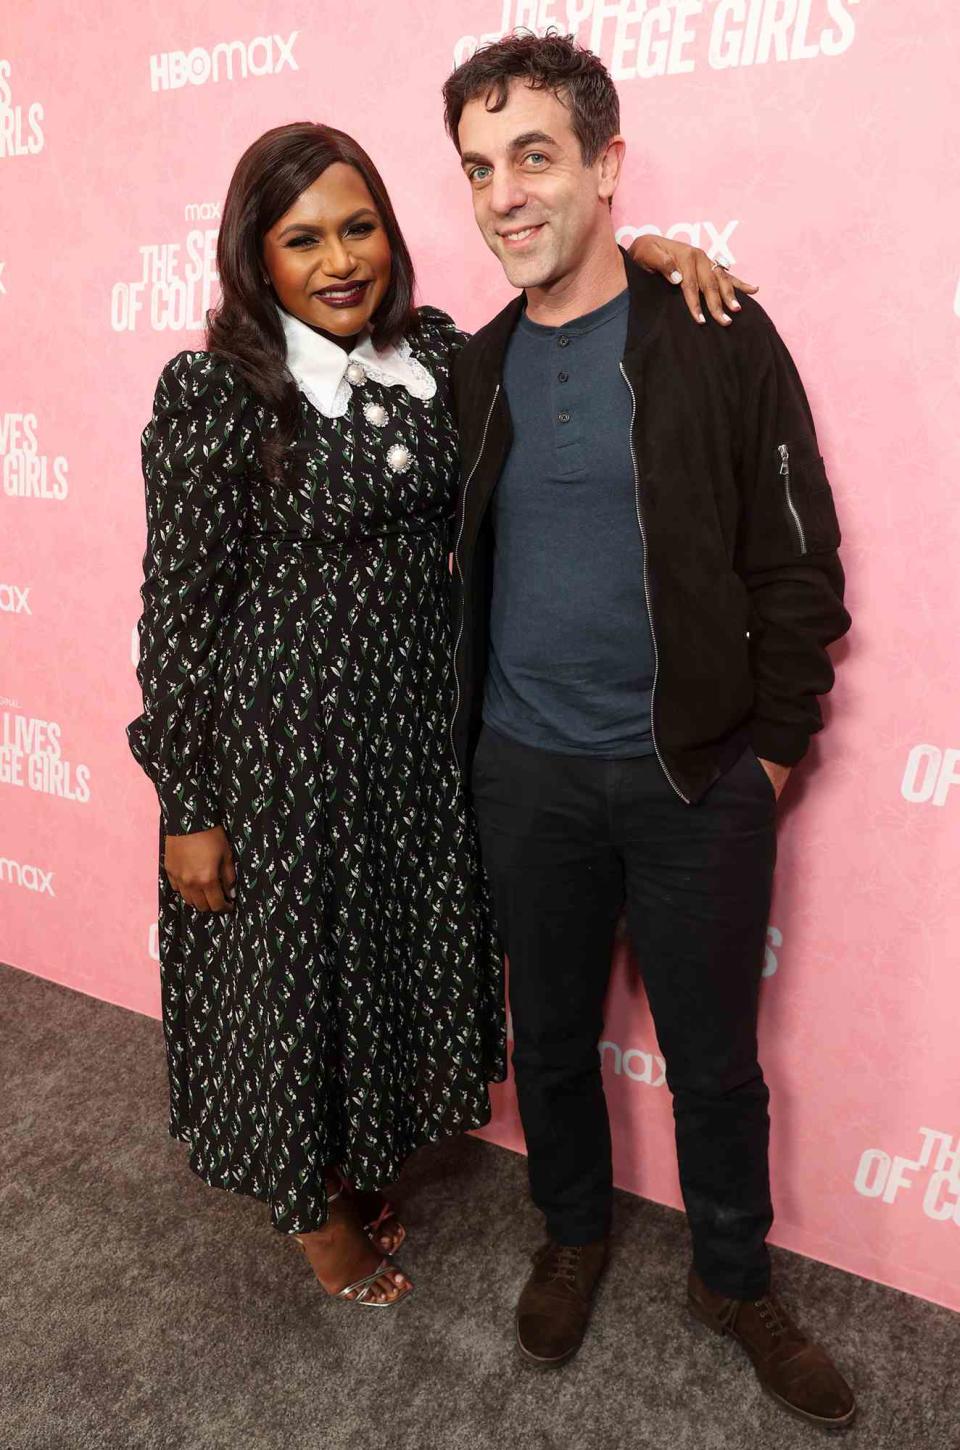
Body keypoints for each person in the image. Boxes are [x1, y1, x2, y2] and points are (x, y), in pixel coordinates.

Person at [128, 120, 729, 1310]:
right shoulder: (217, 392)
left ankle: (351, 1167)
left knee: (380, 973)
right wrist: (186, 803)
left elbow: (566, 315)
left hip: (418, 748)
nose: (339, 260)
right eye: (302, 239)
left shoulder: (441, 357)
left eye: (359, 229)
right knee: (293, 987)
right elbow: (176, 613)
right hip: (282, 762)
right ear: (256, 259)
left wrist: (649, 253)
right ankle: (315, 1216)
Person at [443, 33, 855, 1428]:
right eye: (480, 168)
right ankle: (573, 1232)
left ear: (607, 167)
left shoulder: (720, 329)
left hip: (695, 779)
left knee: (718, 1060)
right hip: (524, 773)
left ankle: (733, 1275)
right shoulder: (474, 367)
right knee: (548, 1040)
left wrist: (776, 744)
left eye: (536, 156)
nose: (505, 194)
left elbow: (799, 559)